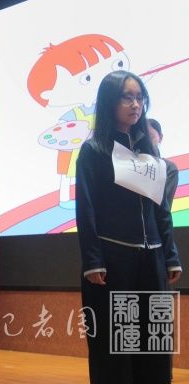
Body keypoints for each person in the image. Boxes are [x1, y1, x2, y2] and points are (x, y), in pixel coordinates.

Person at [76, 70, 182, 384]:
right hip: (114, 261)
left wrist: (170, 254)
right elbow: (86, 208)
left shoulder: (150, 150)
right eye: (127, 97)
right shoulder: (94, 150)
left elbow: (160, 208)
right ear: (109, 102)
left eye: (139, 97)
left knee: (154, 342)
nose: (135, 104)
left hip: (152, 259)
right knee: (118, 345)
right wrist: (93, 260)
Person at [148, 118, 179, 210]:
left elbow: (164, 206)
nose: (147, 142)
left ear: (160, 137)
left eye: (151, 137)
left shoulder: (169, 168)